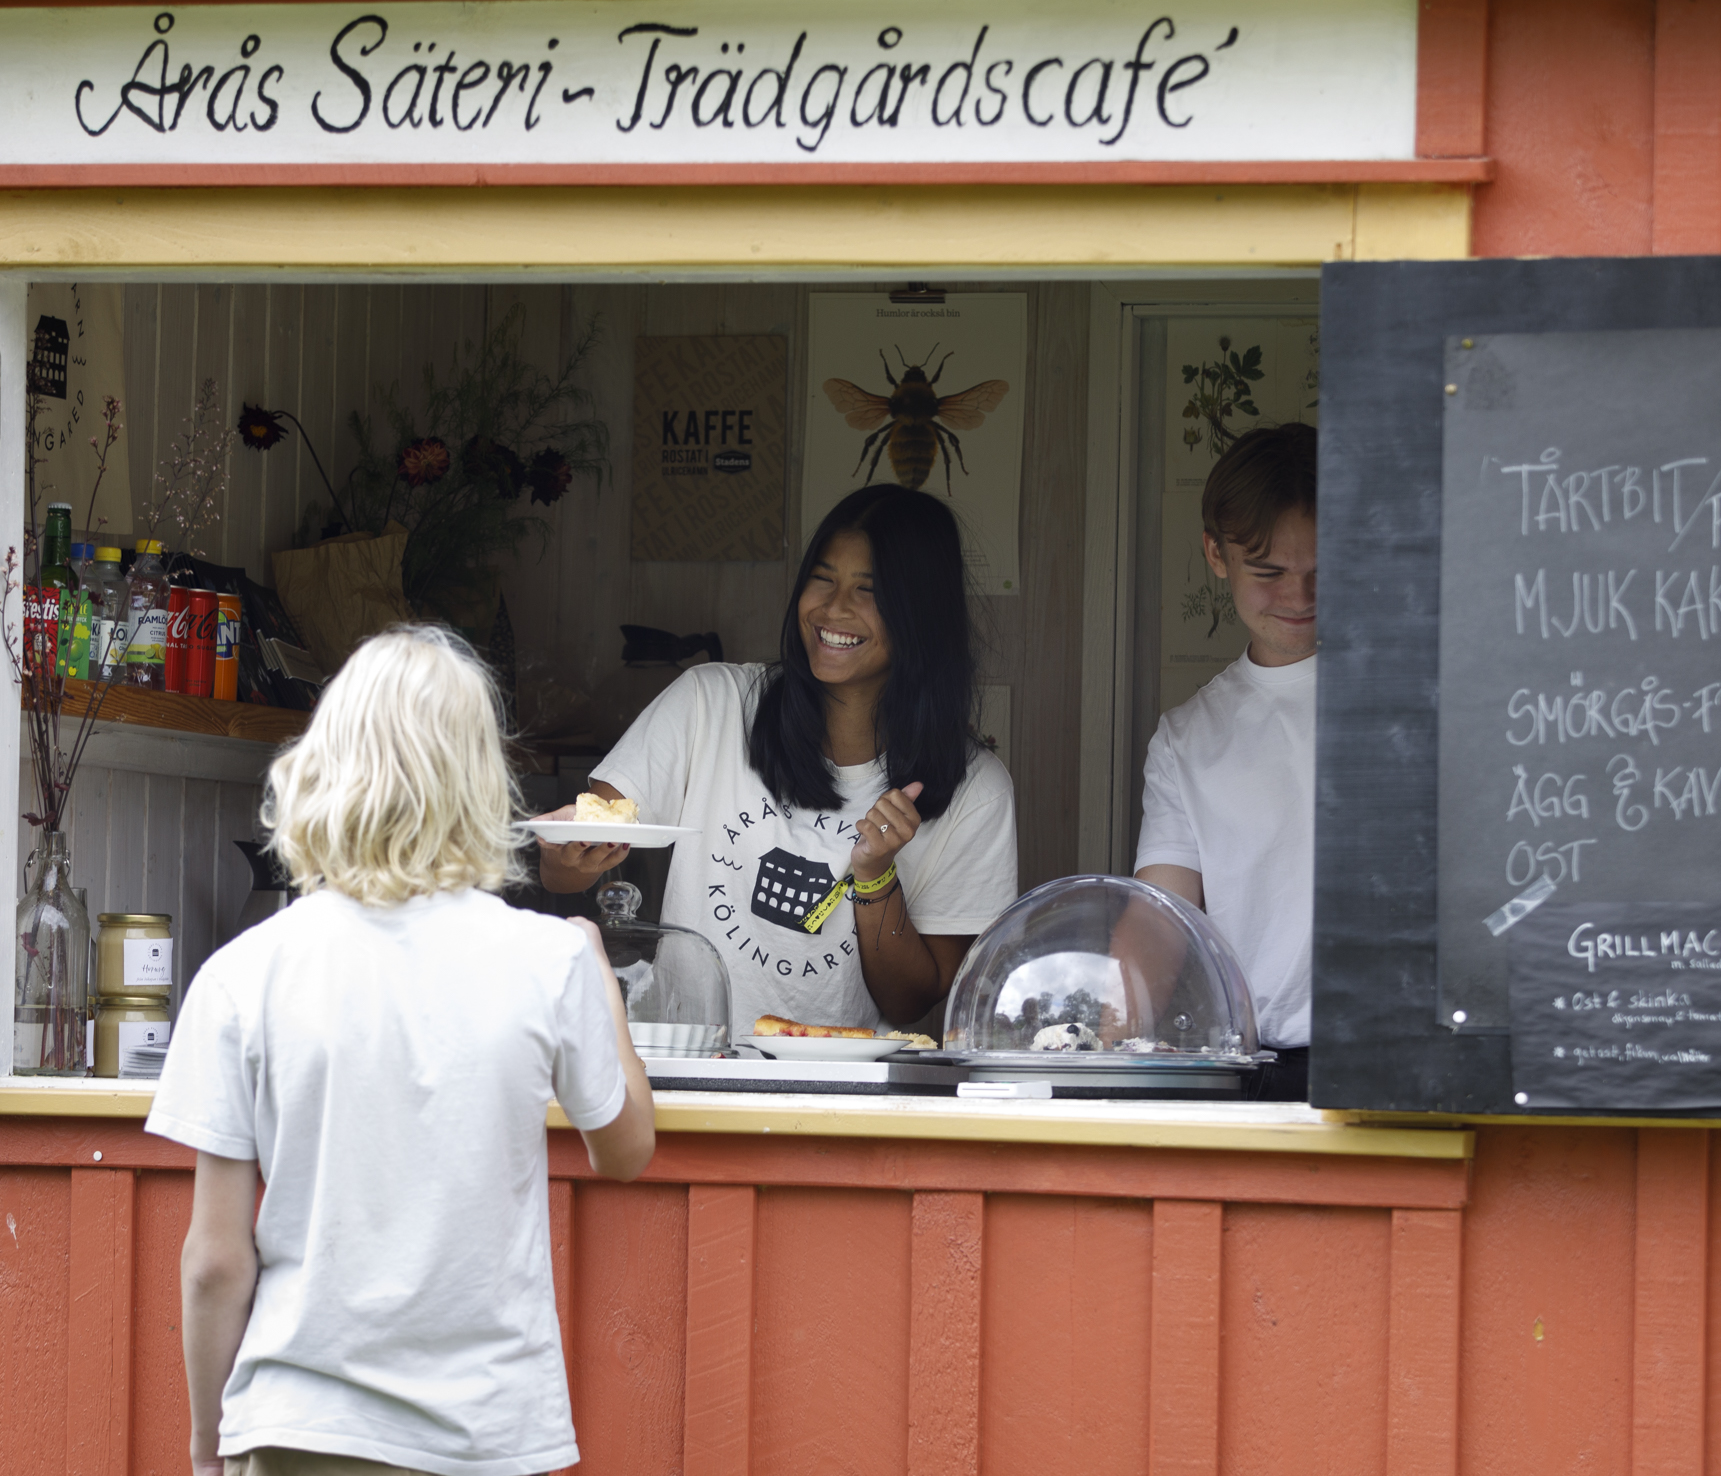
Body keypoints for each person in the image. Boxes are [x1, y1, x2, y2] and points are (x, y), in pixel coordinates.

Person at [148, 625, 656, 1476]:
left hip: (296, 1427)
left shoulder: (244, 975)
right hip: (484, 1434)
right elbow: (625, 1149)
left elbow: (215, 1260)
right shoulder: (550, 960)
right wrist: (603, 983)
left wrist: (208, 1447)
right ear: (483, 783)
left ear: (323, 767)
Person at [540, 486, 1019, 1034]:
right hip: (694, 1077)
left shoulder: (975, 790)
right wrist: (566, 856)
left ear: (923, 614)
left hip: (842, 1102)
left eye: (870, 590)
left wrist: (875, 877)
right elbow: (565, 868)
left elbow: (912, 1003)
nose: (834, 608)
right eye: (823, 577)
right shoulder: (711, 704)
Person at [1134, 422, 1318, 1101]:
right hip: (1256, 1066)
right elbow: (1160, 920)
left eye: (1320, 572)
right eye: (1269, 573)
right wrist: (1099, 1032)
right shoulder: (1187, 736)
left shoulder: (1412, 690)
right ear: (1216, 553)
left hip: (1400, 1052)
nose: (1298, 598)